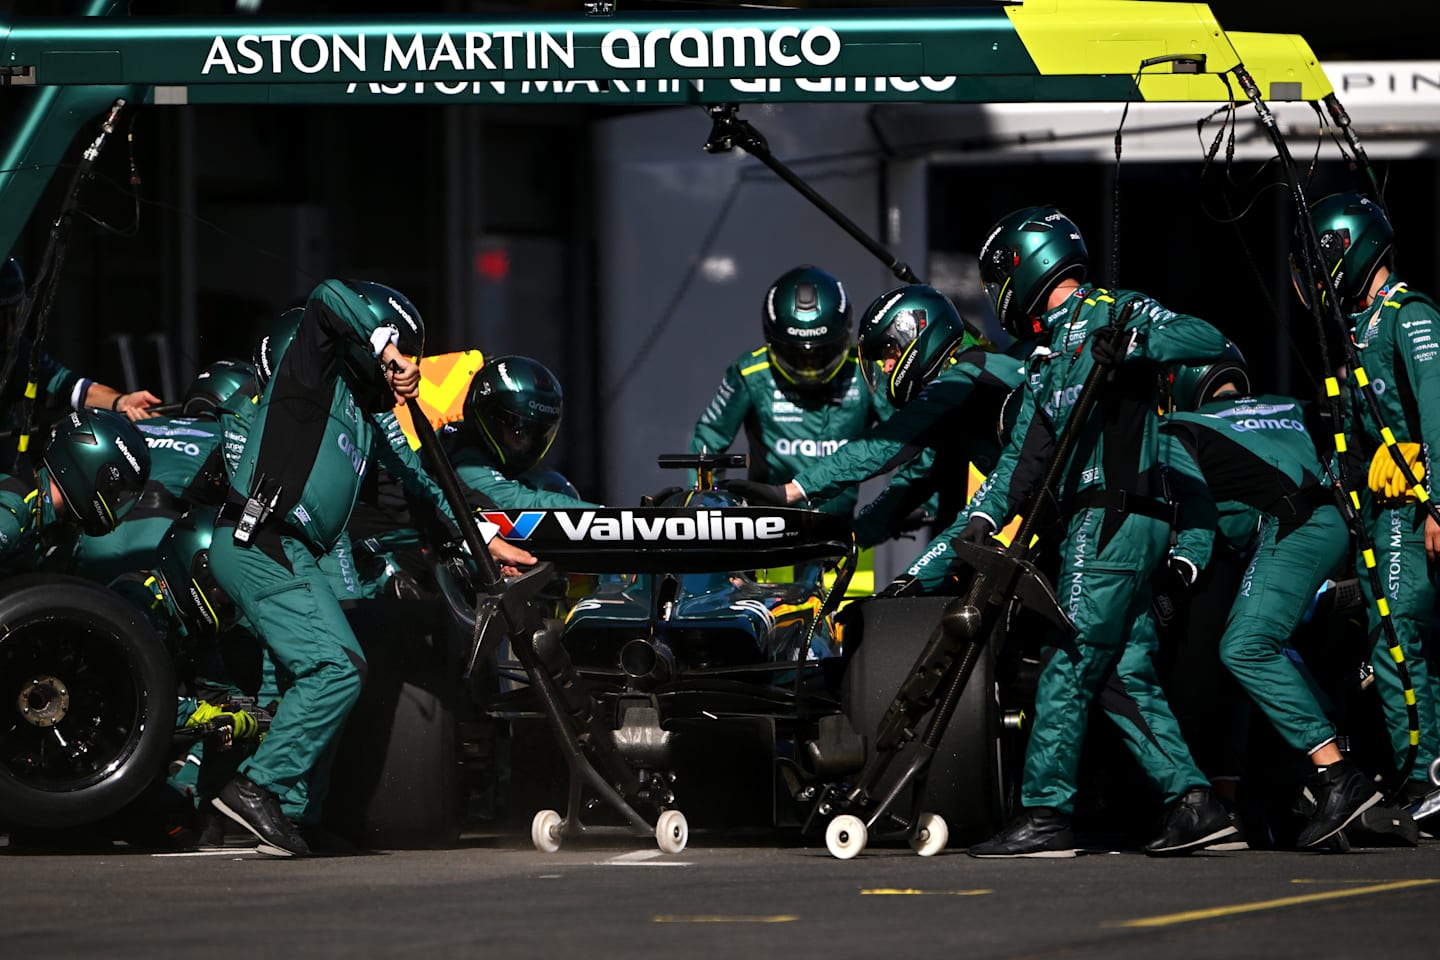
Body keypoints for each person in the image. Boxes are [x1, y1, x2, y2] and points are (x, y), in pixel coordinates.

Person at [206, 279, 535, 858]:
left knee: (329, 669)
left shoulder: (364, 413)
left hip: (295, 550)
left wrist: (483, 537)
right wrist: (387, 349)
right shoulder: (307, 375)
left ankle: (298, 814)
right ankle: (256, 786)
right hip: (260, 536)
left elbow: (425, 481)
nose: (406, 367)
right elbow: (329, 294)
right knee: (336, 667)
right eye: (400, 352)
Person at [960, 205, 1237, 858]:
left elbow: (1205, 337)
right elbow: (1022, 463)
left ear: (1024, 266)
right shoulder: (1048, 354)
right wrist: (980, 521)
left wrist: (1135, 343)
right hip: (1109, 525)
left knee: (1068, 659)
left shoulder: (1115, 312)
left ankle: (1045, 813)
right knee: (1123, 672)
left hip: (1113, 518)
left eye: (997, 276)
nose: (996, 293)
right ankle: (1194, 803)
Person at [1159, 348, 1386, 847]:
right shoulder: (1286, 405)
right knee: (1262, 651)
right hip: (1337, 526)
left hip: (1294, 526)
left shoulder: (1183, 426)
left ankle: (1335, 776)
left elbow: (1192, 511)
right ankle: (1297, 787)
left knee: (1244, 647)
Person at [1290, 192, 1440, 824]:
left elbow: (1436, 411)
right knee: (1380, 639)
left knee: (1399, 635)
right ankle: (1412, 771)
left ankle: (1426, 773)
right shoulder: (1358, 328)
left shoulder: (1410, 316)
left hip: (1413, 508)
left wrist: (1439, 504)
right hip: (1379, 512)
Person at [747, 283, 1023, 594]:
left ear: (915, 329)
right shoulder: (959, 395)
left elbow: (884, 443)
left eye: (889, 352)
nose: (887, 366)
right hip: (1044, 522)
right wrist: (849, 539)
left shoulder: (966, 376)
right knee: (903, 598)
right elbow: (916, 479)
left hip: (1064, 522)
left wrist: (793, 491)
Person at [689, 265, 887, 518]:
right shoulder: (751, 372)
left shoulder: (865, 371)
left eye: (821, 353)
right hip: (768, 531)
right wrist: (704, 503)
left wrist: (904, 505)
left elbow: (906, 434)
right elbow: (709, 437)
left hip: (842, 531)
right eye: (796, 354)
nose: (810, 369)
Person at [0, 257, 162, 455]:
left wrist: (122, 401)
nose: (9, 328)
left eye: (14, 314)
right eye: (0, 319)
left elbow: (75, 388)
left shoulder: (19, 354)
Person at [0, 407, 151, 573]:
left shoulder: (62, 530)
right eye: (114, 489)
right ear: (88, 466)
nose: (116, 501)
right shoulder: (11, 506)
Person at [450, 355, 600, 511]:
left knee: (555, 487)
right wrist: (608, 517)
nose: (525, 441)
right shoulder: (457, 452)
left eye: (536, 432)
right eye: (517, 427)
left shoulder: (517, 472)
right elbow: (511, 500)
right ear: (491, 415)